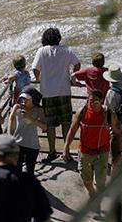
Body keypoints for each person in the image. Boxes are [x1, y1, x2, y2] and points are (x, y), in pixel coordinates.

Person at [31, 27, 81, 163]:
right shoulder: (66, 50)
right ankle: (67, 152)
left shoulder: (41, 51)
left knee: (50, 125)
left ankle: (52, 152)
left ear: (45, 39)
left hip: (47, 92)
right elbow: (77, 64)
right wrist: (73, 79)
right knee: (66, 123)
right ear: (58, 38)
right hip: (64, 90)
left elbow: (35, 68)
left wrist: (38, 78)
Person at [62, 90, 121, 199]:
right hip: (85, 151)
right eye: (90, 101)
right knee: (86, 179)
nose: (92, 103)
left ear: (101, 101)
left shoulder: (109, 114)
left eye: (96, 101)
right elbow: (72, 130)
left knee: (100, 182)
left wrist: (119, 153)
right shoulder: (82, 112)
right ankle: (91, 193)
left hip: (102, 151)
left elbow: (118, 133)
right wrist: (66, 148)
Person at [7, 86, 46, 176]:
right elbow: (11, 119)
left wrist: (31, 119)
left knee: (30, 171)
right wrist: (9, 135)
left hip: (32, 145)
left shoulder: (39, 110)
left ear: (33, 99)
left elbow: (45, 127)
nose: (24, 101)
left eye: (27, 99)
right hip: (17, 143)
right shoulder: (17, 107)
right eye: (22, 98)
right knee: (17, 171)